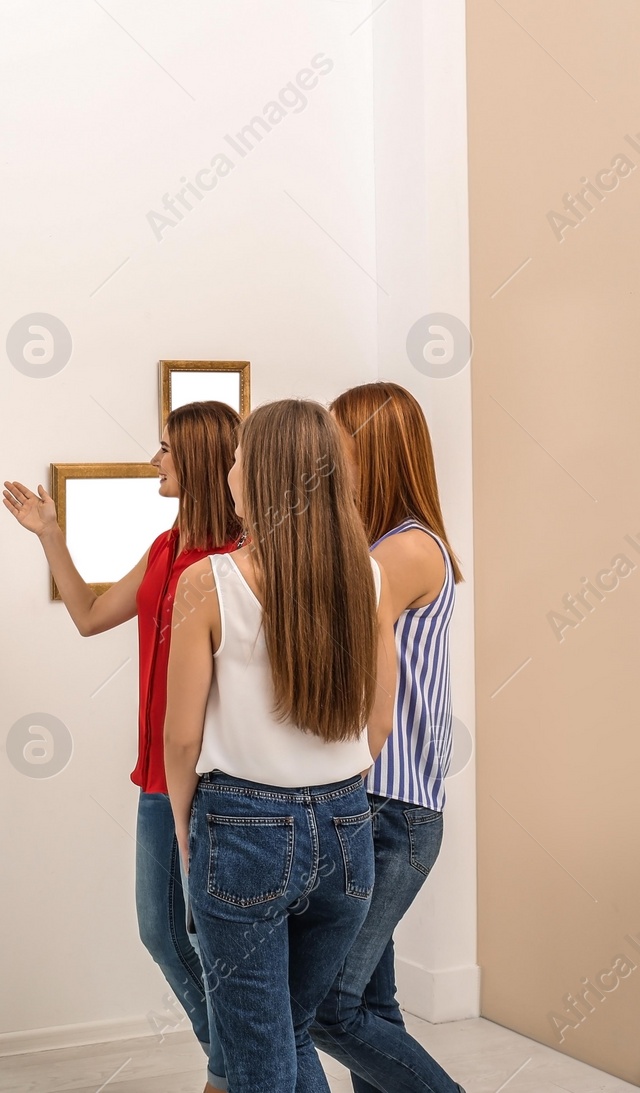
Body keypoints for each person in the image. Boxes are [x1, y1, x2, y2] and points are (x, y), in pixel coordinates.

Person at [3, 401, 242, 1093]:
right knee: (163, 933)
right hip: (156, 778)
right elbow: (86, 615)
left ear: (196, 460)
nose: (154, 459)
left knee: (213, 942)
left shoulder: (235, 562)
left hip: (216, 781)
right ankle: (232, 1063)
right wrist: (49, 533)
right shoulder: (166, 551)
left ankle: (232, 1072)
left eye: (165, 449)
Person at [162, 398, 398, 1093]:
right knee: (289, 1034)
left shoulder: (208, 583)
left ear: (258, 475)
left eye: (236, 458)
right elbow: (379, 718)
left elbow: (181, 737)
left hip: (243, 829)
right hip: (349, 825)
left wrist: (184, 825)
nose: (228, 468)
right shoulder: (371, 576)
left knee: (258, 1056)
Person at [309, 382, 464, 1093]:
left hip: (385, 809)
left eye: (341, 441)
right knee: (369, 1005)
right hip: (385, 805)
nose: (330, 456)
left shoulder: (399, 552)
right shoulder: (391, 545)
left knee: (327, 1009)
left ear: (371, 448)